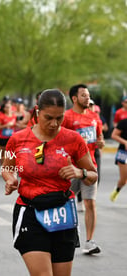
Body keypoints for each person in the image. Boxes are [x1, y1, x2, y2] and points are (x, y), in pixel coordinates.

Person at [2, 89, 98, 276]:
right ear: (38, 112)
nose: (54, 123)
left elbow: (93, 174)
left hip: (62, 213)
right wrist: (10, 179)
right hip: (30, 211)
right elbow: (7, 167)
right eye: (48, 117)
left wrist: (80, 172)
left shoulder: (74, 139)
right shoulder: (18, 139)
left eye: (59, 118)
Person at [61, 83, 104, 254]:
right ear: (74, 98)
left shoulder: (94, 117)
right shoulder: (67, 117)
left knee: (90, 203)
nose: (87, 98)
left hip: (89, 166)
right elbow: (59, 139)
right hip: (70, 167)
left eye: (88, 95)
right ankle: (65, 234)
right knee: (62, 201)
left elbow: (99, 137)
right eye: (83, 95)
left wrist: (100, 142)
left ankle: (89, 241)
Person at [110, 118, 127, 202]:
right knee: (124, 180)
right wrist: (125, 142)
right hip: (124, 153)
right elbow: (114, 135)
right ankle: (117, 190)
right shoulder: (124, 122)